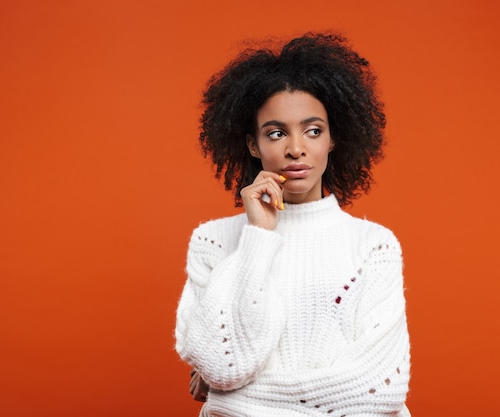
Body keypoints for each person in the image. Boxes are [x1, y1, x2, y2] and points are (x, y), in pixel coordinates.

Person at [175, 32, 411, 417]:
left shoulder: (373, 246)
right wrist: (257, 237)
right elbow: (223, 364)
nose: (296, 148)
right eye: (276, 132)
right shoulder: (213, 242)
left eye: (313, 130)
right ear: (253, 144)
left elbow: (376, 390)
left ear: (333, 139)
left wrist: (227, 398)